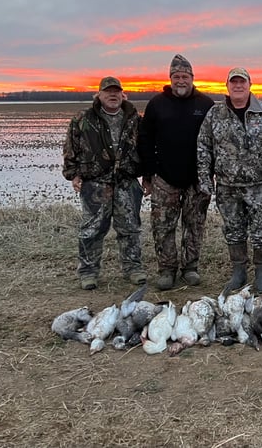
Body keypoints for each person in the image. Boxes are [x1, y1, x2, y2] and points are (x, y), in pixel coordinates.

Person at [197, 67, 262, 294]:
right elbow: (203, 147)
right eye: (234, 82)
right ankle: (238, 272)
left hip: (258, 186)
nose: (238, 86)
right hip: (227, 186)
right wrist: (204, 177)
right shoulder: (215, 114)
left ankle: (261, 273)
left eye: (242, 82)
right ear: (227, 86)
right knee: (233, 230)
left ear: (250, 85)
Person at [138, 54, 214, 290]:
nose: (181, 80)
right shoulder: (156, 104)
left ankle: (190, 268)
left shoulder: (206, 105)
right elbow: (145, 140)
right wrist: (150, 174)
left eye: (185, 76)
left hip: (197, 179)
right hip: (165, 179)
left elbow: (215, 141)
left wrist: (210, 174)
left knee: (194, 225)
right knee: (163, 227)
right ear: (170, 78)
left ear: (192, 78)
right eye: (176, 76)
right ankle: (167, 270)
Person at [62, 77, 146, 290]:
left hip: (126, 181)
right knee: (92, 229)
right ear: (98, 95)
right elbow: (70, 147)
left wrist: (148, 176)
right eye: (108, 91)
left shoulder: (134, 118)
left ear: (123, 94)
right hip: (96, 183)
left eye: (116, 91)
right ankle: (88, 272)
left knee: (130, 228)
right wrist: (73, 174)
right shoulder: (83, 118)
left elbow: (145, 149)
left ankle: (133, 268)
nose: (113, 95)